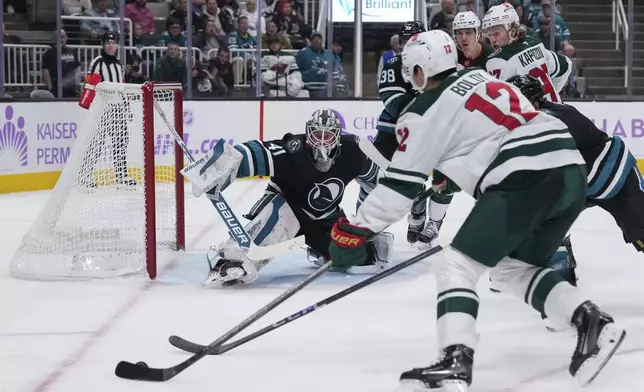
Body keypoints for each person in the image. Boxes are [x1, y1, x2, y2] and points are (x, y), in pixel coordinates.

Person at [327, 30, 625, 390]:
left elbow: (399, 187)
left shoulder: (421, 110)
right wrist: (451, 177)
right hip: (569, 168)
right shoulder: (480, 76)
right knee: (509, 270)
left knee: (456, 264)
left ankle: (455, 361)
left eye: (413, 70)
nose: (411, 78)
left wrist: (356, 228)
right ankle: (592, 322)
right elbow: (491, 133)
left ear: (421, 68)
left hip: (524, 175)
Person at [181, 109, 390, 287]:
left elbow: (378, 182)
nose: (322, 141)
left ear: (338, 136)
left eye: (328, 136)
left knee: (360, 259)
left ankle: (321, 249)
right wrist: (220, 165)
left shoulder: (352, 154)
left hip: (324, 218)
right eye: (317, 135)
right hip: (286, 208)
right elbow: (256, 153)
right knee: (279, 221)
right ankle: (233, 258)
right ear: (308, 133)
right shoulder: (294, 151)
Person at [509, 74, 644, 255]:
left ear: (532, 102)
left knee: (640, 230)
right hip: (586, 180)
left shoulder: (549, 120)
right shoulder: (538, 117)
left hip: (616, 177)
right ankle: (554, 259)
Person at [370, 21, 450, 247]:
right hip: (392, 132)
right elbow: (395, 104)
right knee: (383, 178)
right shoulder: (394, 63)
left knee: (441, 176)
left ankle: (430, 219)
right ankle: (415, 209)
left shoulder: (440, 65)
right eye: (406, 41)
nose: (409, 45)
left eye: (415, 40)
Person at [79, 31, 135, 187]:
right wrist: (90, 105)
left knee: (120, 143)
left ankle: (121, 176)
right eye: (108, 43)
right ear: (103, 45)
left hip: (118, 109)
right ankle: (85, 176)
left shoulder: (119, 65)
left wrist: (126, 107)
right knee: (97, 143)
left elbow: (122, 86)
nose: (111, 46)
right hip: (103, 109)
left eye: (113, 43)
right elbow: (90, 85)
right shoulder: (97, 62)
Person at [482, 3, 571, 103]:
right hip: (555, 112)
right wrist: (552, 95)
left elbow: (498, 106)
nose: (492, 40)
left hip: (532, 117)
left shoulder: (497, 60)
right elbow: (566, 64)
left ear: (513, 29)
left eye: (496, 33)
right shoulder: (534, 43)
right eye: (489, 34)